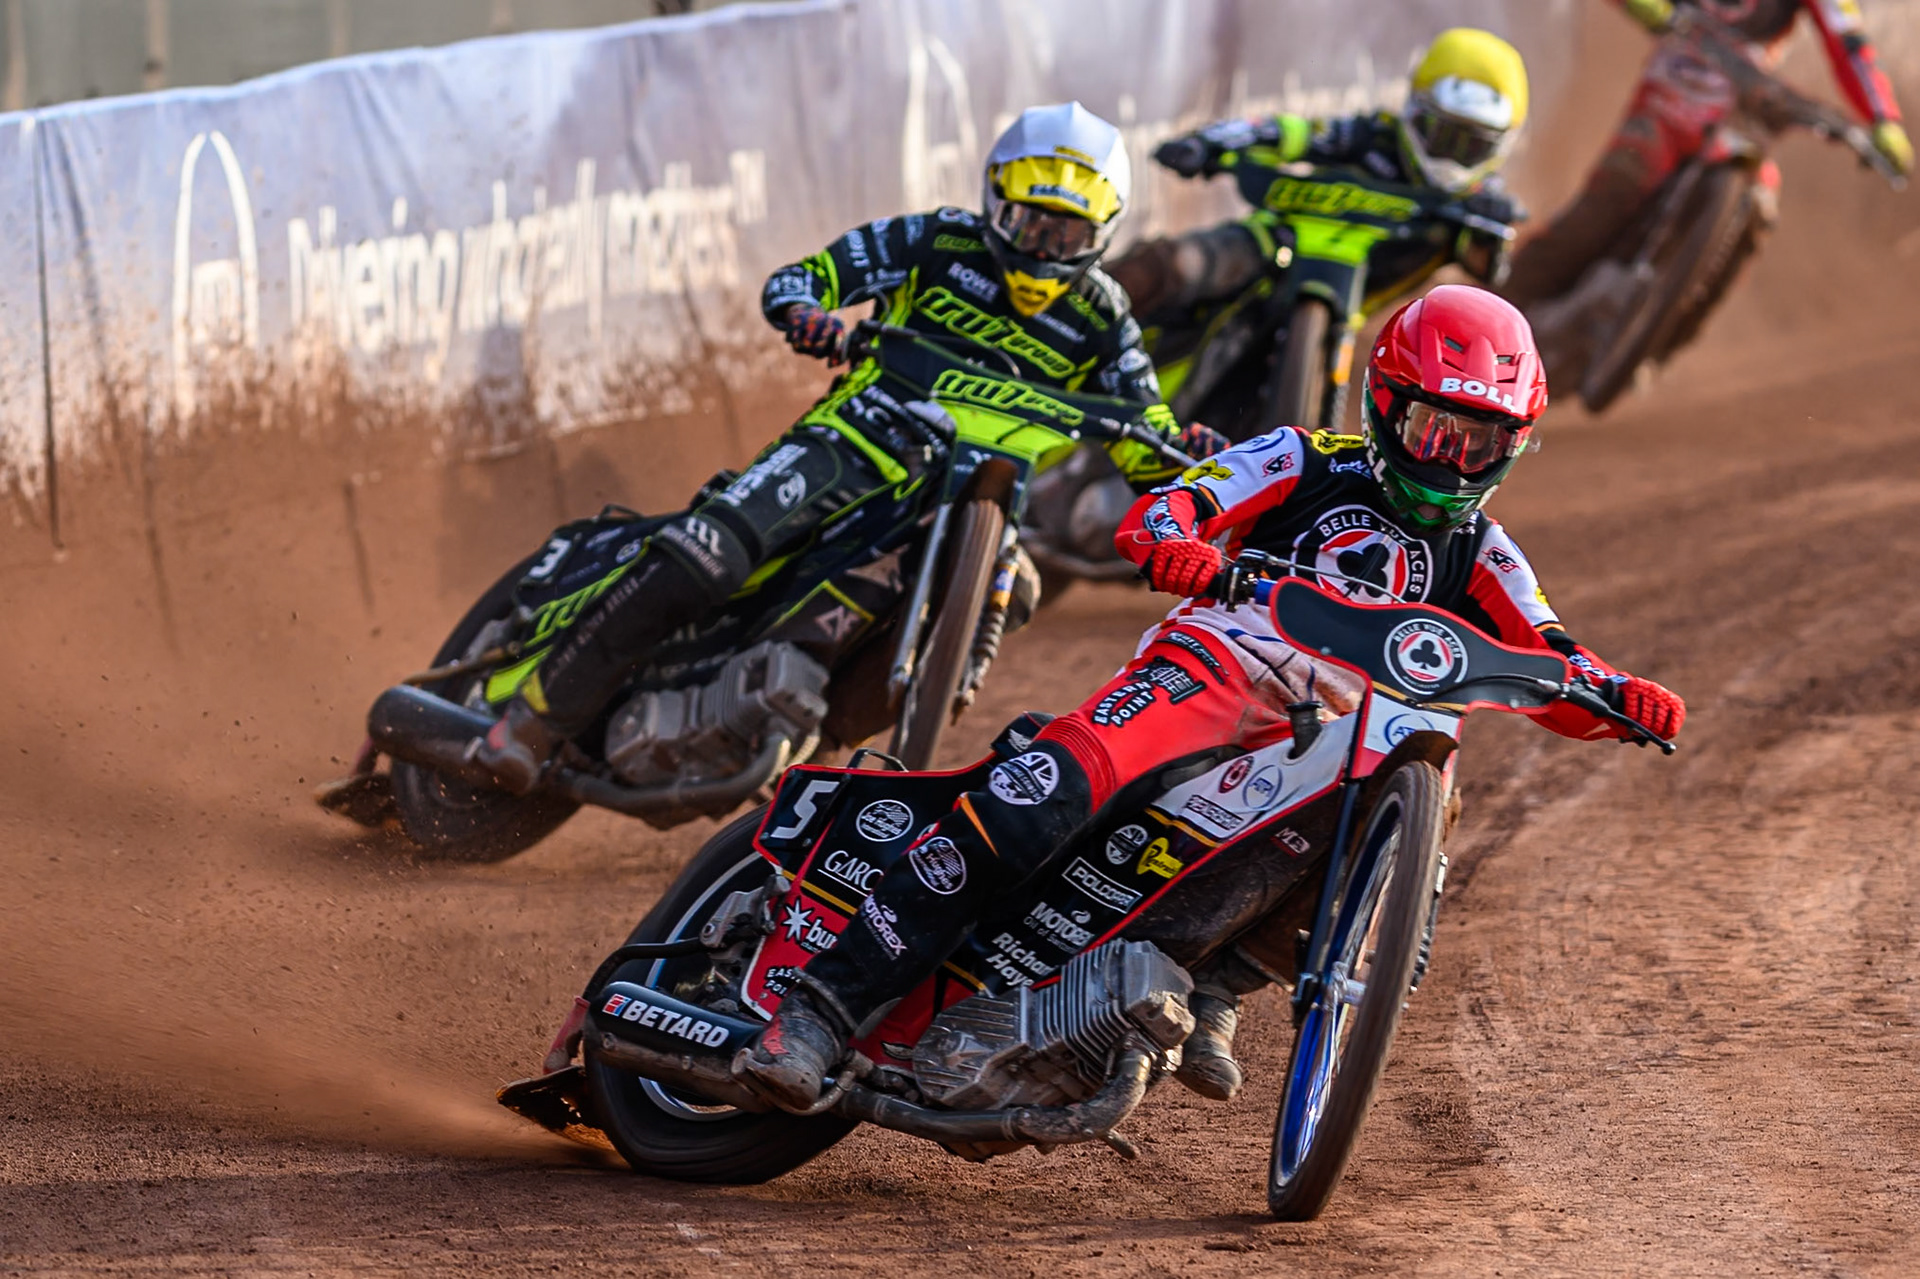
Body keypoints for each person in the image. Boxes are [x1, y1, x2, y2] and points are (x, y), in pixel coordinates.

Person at [735, 284, 1687, 1112]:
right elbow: (1170, 509)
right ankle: (816, 1010)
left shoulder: (1486, 551)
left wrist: (1617, 694)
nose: (1453, 462)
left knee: (1428, 794)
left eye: (1482, 443)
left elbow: (1554, 659)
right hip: (1221, 668)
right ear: (1384, 404)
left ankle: (1215, 981)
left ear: (1517, 445)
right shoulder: (1304, 457)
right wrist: (1182, 545)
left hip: (1346, 735)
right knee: (1049, 789)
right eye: (1436, 429)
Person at [474, 102, 1217, 793]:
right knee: (712, 551)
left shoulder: (1103, 315)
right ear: (996, 202)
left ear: (1104, 234)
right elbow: (804, 279)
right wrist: (809, 315)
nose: (1043, 249)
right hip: (857, 440)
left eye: (1067, 235)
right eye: (1029, 224)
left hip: (980, 496)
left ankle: (804, 757)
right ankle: (533, 715)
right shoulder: (935, 240)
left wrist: (1190, 450)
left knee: (1012, 588)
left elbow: (1144, 437)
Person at [1505, 0, 1910, 310]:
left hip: (1745, 108)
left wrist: (1883, 119)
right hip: (1672, 91)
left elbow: (1850, 44)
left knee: (1759, 209)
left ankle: (1672, 328)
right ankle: (1499, 313)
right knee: (1602, 206)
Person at [1109, 28, 1530, 326]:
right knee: (1174, 265)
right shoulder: (1370, 137)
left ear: (1501, 147)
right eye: (1443, 135)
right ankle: (1063, 320)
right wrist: (1212, 142)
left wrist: (1490, 235)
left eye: (1473, 145)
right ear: (1415, 112)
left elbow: (1490, 271)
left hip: (1351, 312)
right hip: (1278, 243)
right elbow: (1293, 133)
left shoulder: (1480, 203)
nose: (1453, 156)